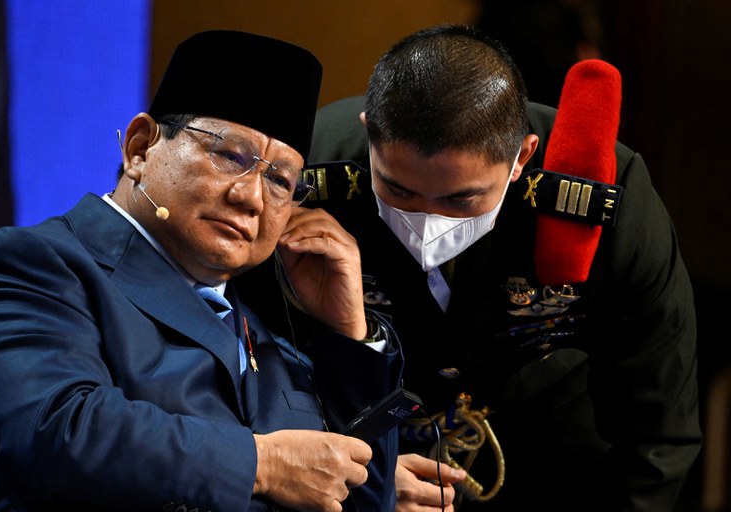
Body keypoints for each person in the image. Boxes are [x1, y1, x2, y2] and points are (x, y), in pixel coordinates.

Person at [238, 24, 701, 512]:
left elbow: (659, 427)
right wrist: (358, 472)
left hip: (544, 428)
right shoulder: (305, 171)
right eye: (398, 190)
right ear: (369, 130)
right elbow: (249, 358)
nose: (427, 221)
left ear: (521, 157)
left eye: (462, 199)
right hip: (352, 427)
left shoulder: (603, 196)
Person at [0, 30, 403, 511]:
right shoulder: (35, 265)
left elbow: (360, 499)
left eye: (279, 180)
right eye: (229, 156)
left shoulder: (269, 331)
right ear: (139, 148)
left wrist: (348, 336)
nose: (251, 197)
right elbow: (56, 429)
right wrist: (266, 464)